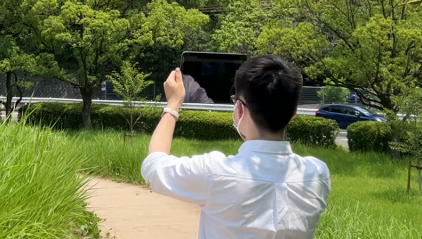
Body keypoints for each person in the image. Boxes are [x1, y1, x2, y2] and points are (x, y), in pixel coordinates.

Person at [141, 55, 330, 239]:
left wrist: (173, 105)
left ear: (239, 109)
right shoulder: (317, 174)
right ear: (293, 114)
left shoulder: (215, 172)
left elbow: (153, 167)